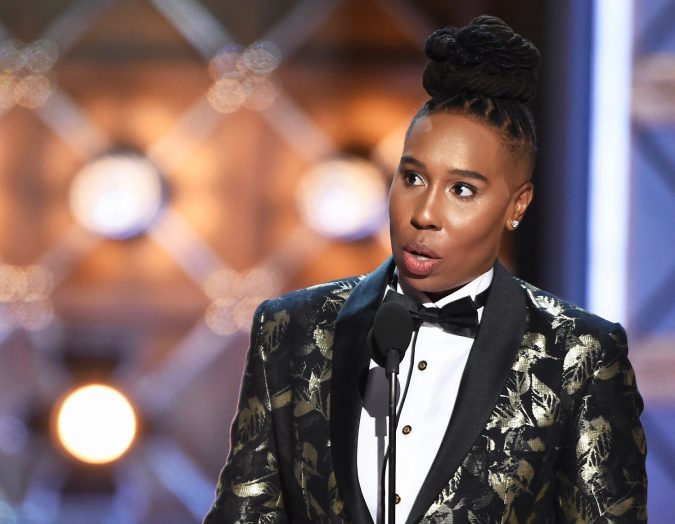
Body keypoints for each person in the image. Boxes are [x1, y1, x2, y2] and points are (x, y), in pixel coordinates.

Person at [203, 15, 647, 524]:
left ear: (517, 205)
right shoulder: (291, 329)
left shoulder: (578, 355)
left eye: (462, 190)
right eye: (413, 178)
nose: (425, 213)